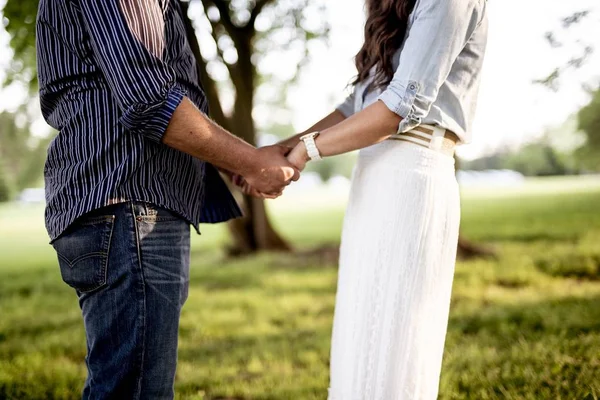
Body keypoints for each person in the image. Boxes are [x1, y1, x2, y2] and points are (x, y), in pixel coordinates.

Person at [36, 0, 298, 398]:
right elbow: (149, 98)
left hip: (117, 206)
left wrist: (231, 163)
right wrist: (252, 161)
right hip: (129, 206)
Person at [242, 0, 488, 397]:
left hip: (413, 175)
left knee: (395, 335)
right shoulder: (393, 6)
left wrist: (305, 151)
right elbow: (354, 105)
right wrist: (276, 152)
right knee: (361, 331)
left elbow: (400, 107)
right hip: (371, 176)